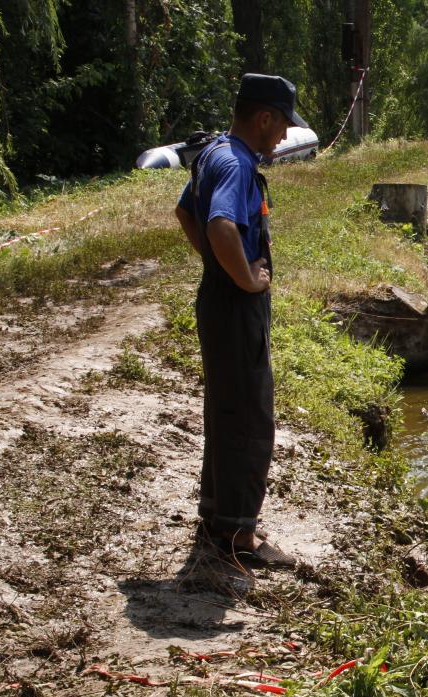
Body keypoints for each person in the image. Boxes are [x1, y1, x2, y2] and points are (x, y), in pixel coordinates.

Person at [174, 74, 307, 567]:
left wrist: (216, 264)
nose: (283, 137)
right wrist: (247, 279)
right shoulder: (234, 164)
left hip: (217, 298)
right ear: (264, 117)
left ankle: (217, 518)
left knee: (226, 410)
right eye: (281, 126)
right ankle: (237, 538)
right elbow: (219, 224)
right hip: (235, 306)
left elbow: (185, 212)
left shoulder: (212, 153)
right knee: (251, 419)